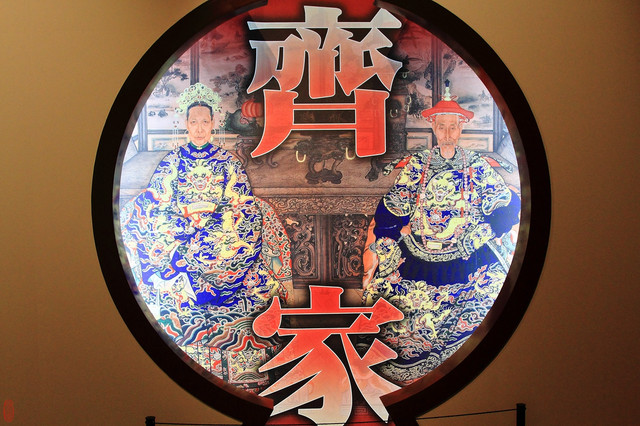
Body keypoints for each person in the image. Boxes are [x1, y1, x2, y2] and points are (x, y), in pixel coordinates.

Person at [120, 82, 292, 392]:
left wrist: (209, 229)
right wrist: (185, 227)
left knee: (242, 226)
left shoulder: (228, 163)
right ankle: (187, 280)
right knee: (145, 219)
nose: (199, 128)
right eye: (193, 122)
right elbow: (160, 202)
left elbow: (240, 204)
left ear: (212, 123)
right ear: (185, 124)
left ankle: (204, 281)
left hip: (220, 235)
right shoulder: (172, 162)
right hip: (181, 232)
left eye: (204, 121)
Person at [362, 83, 520, 385]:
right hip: (419, 254)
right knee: (393, 309)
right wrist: (388, 240)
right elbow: (393, 208)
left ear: (461, 128)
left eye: (453, 127)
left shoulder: (476, 165)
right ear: (433, 128)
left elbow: (505, 206)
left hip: (467, 257)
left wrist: (481, 233)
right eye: (442, 127)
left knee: (489, 298)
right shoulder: (418, 164)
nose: (447, 133)